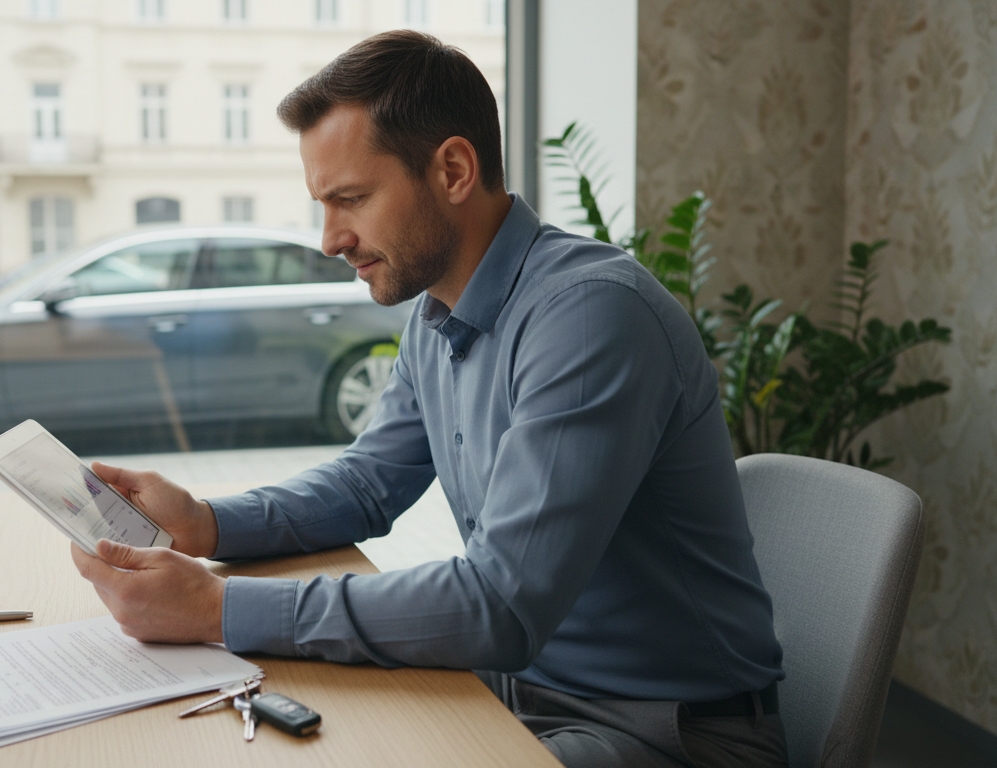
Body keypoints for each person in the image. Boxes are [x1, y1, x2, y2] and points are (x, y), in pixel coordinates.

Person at [70, 30, 789, 768]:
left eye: (351, 199)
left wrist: (217, 608)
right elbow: (366, 485)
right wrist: (206, 523)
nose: (330, 239)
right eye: (323, 204)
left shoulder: (590, 316)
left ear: (452, 170)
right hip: (517, 690)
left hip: (667, 733)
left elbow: (500, 604)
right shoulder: (439, 311)